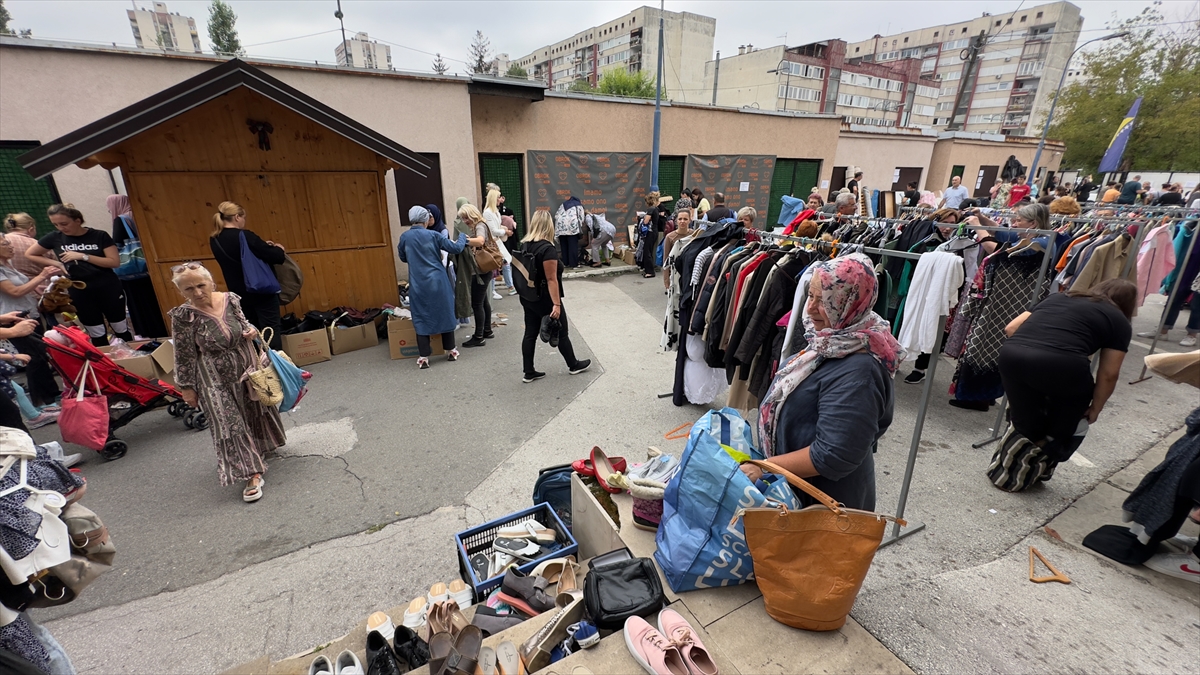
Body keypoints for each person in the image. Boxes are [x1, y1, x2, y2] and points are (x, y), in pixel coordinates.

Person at [743, 253, 901, 510]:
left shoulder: (859, 372)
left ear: (849, 302)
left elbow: (833, 456)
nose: (810, 308)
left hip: (822, 506)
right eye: (811, 296)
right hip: (799, 491)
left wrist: (764, 468)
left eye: (825, 300)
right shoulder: (831, 340)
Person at [991, 279, 1135, 488]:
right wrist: (1096, 407)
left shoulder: (1060, 296)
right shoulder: (1119, 320)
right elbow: (1109, 374)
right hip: (1064, 365)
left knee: (1024, 419)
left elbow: (1011, 327)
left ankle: (1007, 474)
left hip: (1012, 355)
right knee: (1063, 424)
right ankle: (1032, 471)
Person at [168, 262, 286, 503]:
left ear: (212, 283)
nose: (198, 293)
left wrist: (251, 331)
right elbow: (183, 354)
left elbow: (244, 324)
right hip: (212, 377)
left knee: (254, 408)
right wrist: (187, 388)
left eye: (201, 285)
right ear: (182, 292)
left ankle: (258, 451)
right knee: (228, 422)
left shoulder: (231, 299)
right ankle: (251, 473)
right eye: (189, 289)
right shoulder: (184, 316)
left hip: (246, 366)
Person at [26, 204, 132, 347]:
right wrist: (57, 264)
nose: (61, 228)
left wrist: (83, 256)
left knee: (120, 327)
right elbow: (30, 253)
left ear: (78, 220)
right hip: (79, 288)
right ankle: (104, 363)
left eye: (64, 224)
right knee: (95, 331)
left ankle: (132, 356)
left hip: (107, 286)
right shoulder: (55, 237)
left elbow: (114, 262)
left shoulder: (99, 235)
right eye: (55, 224)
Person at [517, 211, 590, 383]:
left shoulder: (526, 245)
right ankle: (573, 365)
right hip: (545, 298)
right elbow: (551, 280)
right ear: (549, 225)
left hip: (529, 296)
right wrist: (556, 304)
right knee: (562, 331)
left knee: (530, 333)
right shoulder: (547, 249)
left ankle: (528, 372)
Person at [397, 206, 468, 369]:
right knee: (444, 312)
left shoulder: (405, 237)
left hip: (418, 284)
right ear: (425, 220)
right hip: (438, 282)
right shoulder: (434, 235)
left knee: (421, 316)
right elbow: (456, 248)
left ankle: (423, 357)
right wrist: (463, 236)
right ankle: (451, 350)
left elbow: (403, 257)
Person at [208, 202, 285, 350]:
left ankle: (258, 363)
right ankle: (276, 364)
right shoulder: (245, 235)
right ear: (237, 217)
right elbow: (276, 257)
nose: (244, 221)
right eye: (243, 217)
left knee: (251, 329)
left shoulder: (215, 240)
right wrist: (278, 248)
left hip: (238, 293)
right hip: (261, 289)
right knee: (270, 327)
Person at [0, 234, 61, 407]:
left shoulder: (8, 264)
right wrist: (42, 276)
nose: (10, 246)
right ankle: (40, 401)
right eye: (5, 244)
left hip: (29, 313)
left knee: (42, 355)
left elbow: (23, 287)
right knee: (33, 358)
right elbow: (15, 292)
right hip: (12, 318)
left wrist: (40, 287)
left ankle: (52, 394)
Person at [106, 194, 167, 338]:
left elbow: (117, 243)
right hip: (153, 266)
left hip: (135, 273)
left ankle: (151, 332)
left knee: (142, 305)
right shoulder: (142, 214)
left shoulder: (121, 219)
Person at [459, 204, 496, 348]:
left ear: (471, 214)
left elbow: (480, 241)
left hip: (480, 271)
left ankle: (479, 336)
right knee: (483, 301)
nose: (464, 220)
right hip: (484, 269)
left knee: (477, 303)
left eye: (465, 217)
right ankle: (487, 330)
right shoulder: (480, 225)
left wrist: (464, 241)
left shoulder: (480, 225)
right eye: (462, 218)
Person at [4, 213, 63, 293]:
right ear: (31, 229)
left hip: (10, 290)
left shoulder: (4, 243)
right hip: (42, 290)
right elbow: (55, 270)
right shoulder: (39, 246)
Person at [484, 189, 514, 297]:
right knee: (494, 265)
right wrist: (505, 231)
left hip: (497, 242)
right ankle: (495, 290)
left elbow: (496, 227)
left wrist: (504, 230)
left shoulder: (495, 212)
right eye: (498, 197)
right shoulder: (488, 213)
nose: (500, 199)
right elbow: (493, 230)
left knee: (504, 263)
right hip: (493, 243)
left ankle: (509, 287)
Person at [662, 208, 695, 290]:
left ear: (690, 220)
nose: (682, 221)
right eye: (680, 219)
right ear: (676, 221)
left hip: (690, 273)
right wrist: (666, 280)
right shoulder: (670, 237)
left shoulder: (694, 235)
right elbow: (666, 259)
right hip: (675, 274)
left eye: (685, 219)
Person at [554, 196, 584, 269]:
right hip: (572, 228)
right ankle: (574, 264)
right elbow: (581, 218)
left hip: (561, 228)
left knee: (564, 246)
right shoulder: (578, 205)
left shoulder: (563, 204)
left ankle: (565, 263)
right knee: (572, 246)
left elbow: (556, 216)